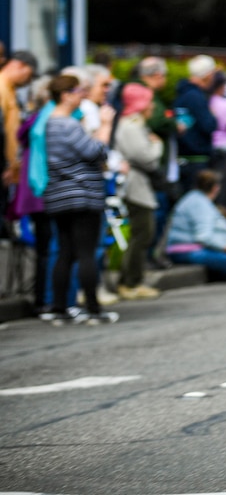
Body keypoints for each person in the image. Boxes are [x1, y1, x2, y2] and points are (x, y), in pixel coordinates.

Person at [39, 74, 116, 324]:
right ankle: (93, 308)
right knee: (86, 252)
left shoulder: (47, 123)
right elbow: (95, 151)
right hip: (82, 193)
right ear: (65, 95)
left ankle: (60, 308)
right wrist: (105, 126)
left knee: (65, 252)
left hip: (58, 194)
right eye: (77, 91)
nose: (82, 95)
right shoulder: (67, 124)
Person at [166, 169, 226, 282]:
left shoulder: (193, 198)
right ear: (215, 188)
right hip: (186, 251)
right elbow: (203, 237)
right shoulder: (200, 204)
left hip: (182, 249)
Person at [113, 84, 164, 299]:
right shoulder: (131, 126)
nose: (152, 105)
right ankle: (130, 282)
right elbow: (146, 158)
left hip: (136, 184)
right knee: (142, 233)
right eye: (149, 100)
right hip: (134, 187)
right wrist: (158, 146)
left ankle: (133, 279)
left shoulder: (134, 124)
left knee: (142, 233)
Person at [173, 55, 220, 193]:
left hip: (184, 158)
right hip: (196, 160)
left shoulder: (183, 93)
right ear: (207, 75)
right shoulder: (196, 97)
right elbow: (209, 125)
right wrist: (212, 115)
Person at [1, 49, 38, 186]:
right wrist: (4, 165)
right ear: (20, 65)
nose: (29, 81)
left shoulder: (10, 89)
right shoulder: (2, 88)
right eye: (31, 74)